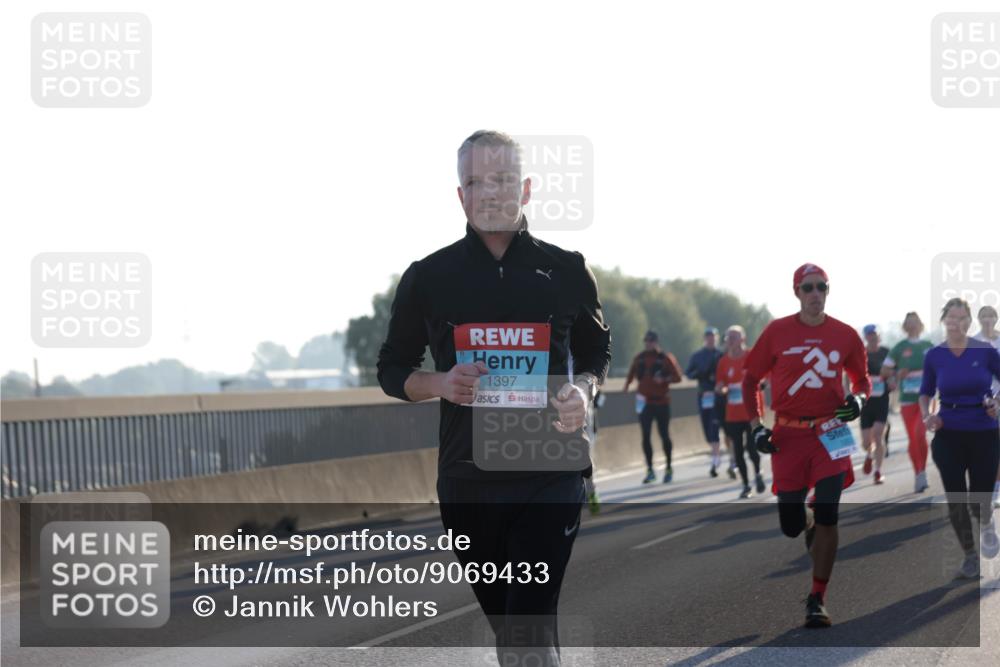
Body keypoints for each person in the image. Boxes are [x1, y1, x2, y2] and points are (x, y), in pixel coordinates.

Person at [377, 130, 611, 665]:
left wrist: (583, 390)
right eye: (475, 181)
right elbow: (392, 369)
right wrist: (439, 383)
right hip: (468, 479)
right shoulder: (428, 278)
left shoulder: (568, 269)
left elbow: (597, 349)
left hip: (550, 467)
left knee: (527, 621)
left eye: (503, 179)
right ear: (460, 195)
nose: (490, 192)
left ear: (525, 189)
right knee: (511, 628)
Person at [743, 263, 870, 629]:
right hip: (788, 434)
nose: (816, 294)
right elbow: (750, 378)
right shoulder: (777, 332)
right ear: (796, 292)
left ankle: (817, 597)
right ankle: (807, 517)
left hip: (831, 431)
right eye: (808, 288)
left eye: (822, 287)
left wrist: (859, 401)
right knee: (791, 524)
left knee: (830, 511)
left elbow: (862, 380)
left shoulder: (845, 335)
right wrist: (756, 427)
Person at [919, 298, 1000, 578]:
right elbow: (925, 392)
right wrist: (927, 416)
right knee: (955, 498)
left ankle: (987, 523)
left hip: (983, 430)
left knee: (980, 499)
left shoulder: (986, 351)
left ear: (969, 321)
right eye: (951, 318)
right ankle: (969, 556)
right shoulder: (934, 355)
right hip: (948, 432)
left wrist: (997, 403)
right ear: (944, 320)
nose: (957, 323)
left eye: (962, 318)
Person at [883, 312, 934, 493]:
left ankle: (922, 472)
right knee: (913, 437)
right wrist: (897, 374)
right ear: (905, 326)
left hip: (926, 399)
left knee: (920, 434)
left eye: (915, 323)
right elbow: (884, 371)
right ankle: (919, 473)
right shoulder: (899, 348)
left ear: (921, 325)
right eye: (909, 323)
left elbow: (941, 368)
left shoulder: (929, 346)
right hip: (907, 400)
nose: (912, 326)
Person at [624, 331, 683, 483]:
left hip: (662, 402)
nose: (648, 343)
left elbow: (678, 377)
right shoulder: (639, 358)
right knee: (645, 436)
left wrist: (664, 379)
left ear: (657, 342)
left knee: (664, 435)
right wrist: (626, 386)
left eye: (651, 341)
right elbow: (630, 375)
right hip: (645, 403)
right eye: (646, 341)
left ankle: (669, 467)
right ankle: (650, 469)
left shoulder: (665, 358)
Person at [715, 325, 767, 498]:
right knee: (737, 450)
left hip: (752, 412)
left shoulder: (751, 356)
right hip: (733, 413)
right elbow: (720, 383)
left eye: (734, 337)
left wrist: (760, 383)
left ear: (742, 339)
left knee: (752, 448)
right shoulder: (723, 362)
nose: (730, 340)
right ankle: (745, 485)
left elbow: (764, 376)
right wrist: (721, 389)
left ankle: (758, 473)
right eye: (728, 337)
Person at [686, 327, 729, 478]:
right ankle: (716, 452)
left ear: (717, 338)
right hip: (704, 395)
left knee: (719, 425)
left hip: (720, 396)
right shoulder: (697, 356)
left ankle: (719, 458)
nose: (711, 339)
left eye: (713, 336)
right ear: (704, 338)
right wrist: (699, 374)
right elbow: (688, 373)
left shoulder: (721, 355)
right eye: (708, 336)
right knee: (707, 427)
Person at [972, 305, 1000, 508]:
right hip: (980, 400)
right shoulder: (973, 342)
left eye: (991, 315)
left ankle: (996, 488)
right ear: (978, 319)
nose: (987, 319)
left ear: (996, 318)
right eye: (983, 316)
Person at [860, 324, 891, 484]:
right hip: (865, 402)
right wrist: (847, 391)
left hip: (882, 400)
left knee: (878, 434)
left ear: (879, 336)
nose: (872, 337)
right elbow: (849, 374)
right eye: (869, 335)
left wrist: (893, 381)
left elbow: (895, 371)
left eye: (875, 334)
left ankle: (878, 471)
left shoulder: (886, 353)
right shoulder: (860, 354)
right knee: (866, 442)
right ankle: (868, 455)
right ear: (865, 337)